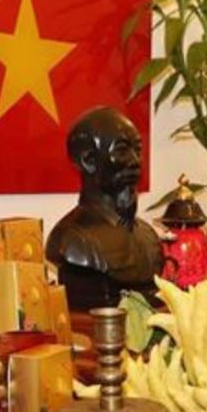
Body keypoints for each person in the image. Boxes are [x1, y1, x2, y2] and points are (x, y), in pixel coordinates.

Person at [45, 106, 163, 311]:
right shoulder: (71, 240)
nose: (135, 161)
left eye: (137, 149)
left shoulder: (148, 235)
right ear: (88, 161)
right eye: (122, 150)